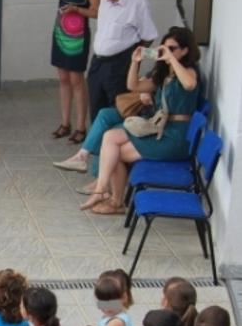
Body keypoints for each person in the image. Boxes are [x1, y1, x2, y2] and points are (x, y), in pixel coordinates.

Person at [78, 27, 201, 214]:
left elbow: (190, 84)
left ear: (185, 50)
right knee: (110, 137)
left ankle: (113, 200)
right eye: (164, 48)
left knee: (115, 153)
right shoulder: (164, 73)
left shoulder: (189, 71)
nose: (167, 52)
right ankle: (103, 191)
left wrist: (172, 59)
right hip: (161, 129)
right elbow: (132, 85)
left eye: (173, 48)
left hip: (176, 137)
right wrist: (135, 62)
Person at [36, 0, 99, 143]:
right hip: (61, 31)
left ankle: (81, 126)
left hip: (78, 34)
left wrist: (77, 9)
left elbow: (97, 11)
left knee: (76, 80)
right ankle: (65, 122)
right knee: (63, 78)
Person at [87, 0, 158, 121]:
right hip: (98, 62)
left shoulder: (137, 1)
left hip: (120, 63)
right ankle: (97, 144)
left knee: (118, 109)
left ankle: (115, 142)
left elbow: (149, 35)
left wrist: (133, 59)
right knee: (95, 106)